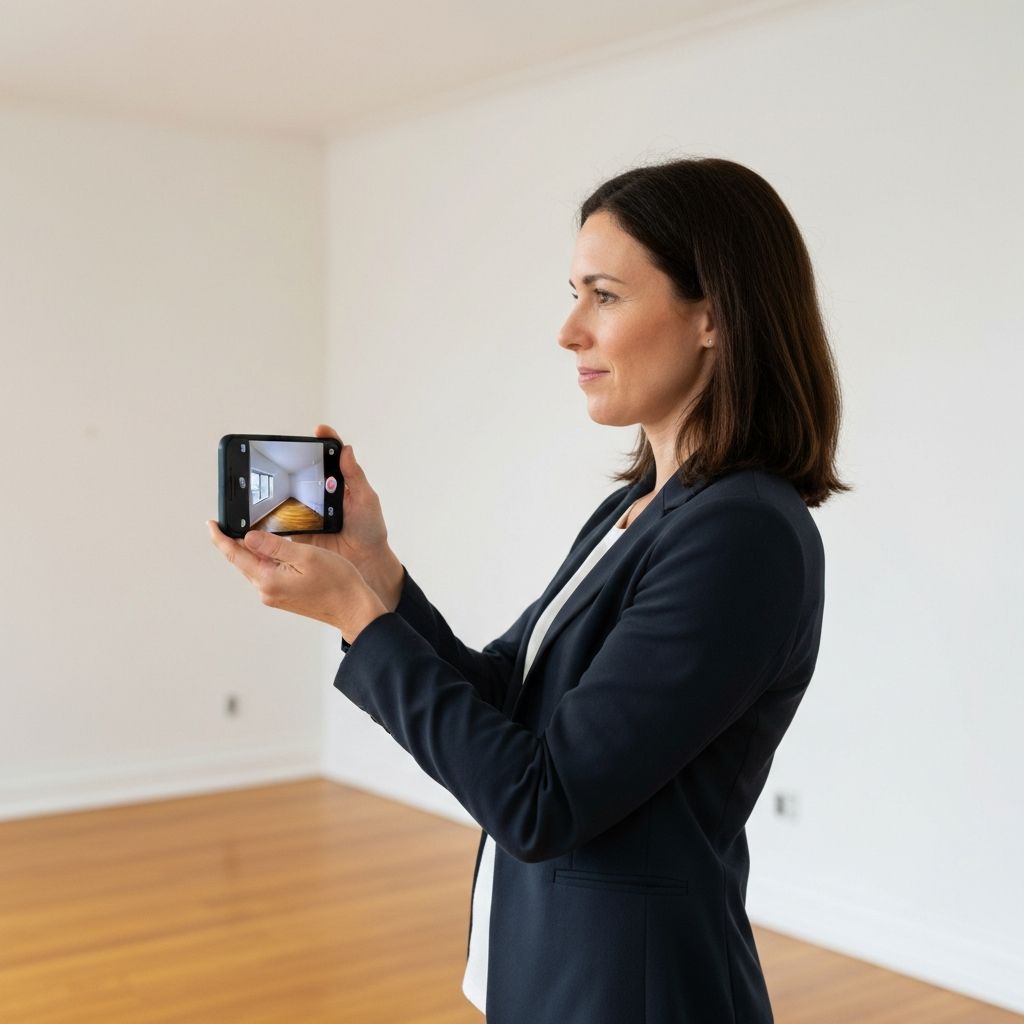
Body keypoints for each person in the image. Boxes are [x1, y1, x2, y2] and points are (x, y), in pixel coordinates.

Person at [208, 155, 849, 1023]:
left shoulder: (743, 535)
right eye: (573, 292)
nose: (568, 330)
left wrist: (358, 618)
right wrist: (374, 568)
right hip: (559, 968)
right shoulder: (641, 508)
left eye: (605, 295)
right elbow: (513, 702)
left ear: (712, 315)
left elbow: (543, 800)